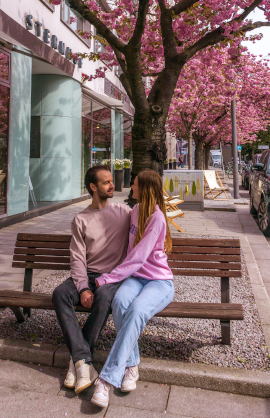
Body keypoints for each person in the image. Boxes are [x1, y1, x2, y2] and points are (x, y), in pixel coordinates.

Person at [91, 170, 175, 408]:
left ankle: (106, 380)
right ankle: (131, 363)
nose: (131, 186)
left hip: (159, 282)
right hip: (136, 278)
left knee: (137, 310)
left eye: (135, 183)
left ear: (145, 188)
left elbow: (138, 257)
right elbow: (117, 224)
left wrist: (108, 278)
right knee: (119, 303)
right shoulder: (136, 211)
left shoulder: (157, 217)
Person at [52, 164, 131, 394]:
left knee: (105, 297)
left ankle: (78, 362)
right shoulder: (80, 219)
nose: (112, 185)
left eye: (111, 181)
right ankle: (84, 361)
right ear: (93, 187)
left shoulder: (124, 213)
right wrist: (83, 287)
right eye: (106, 182)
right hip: (88, 275)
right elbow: (77, 259)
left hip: (112, 278)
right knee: (59, 294)